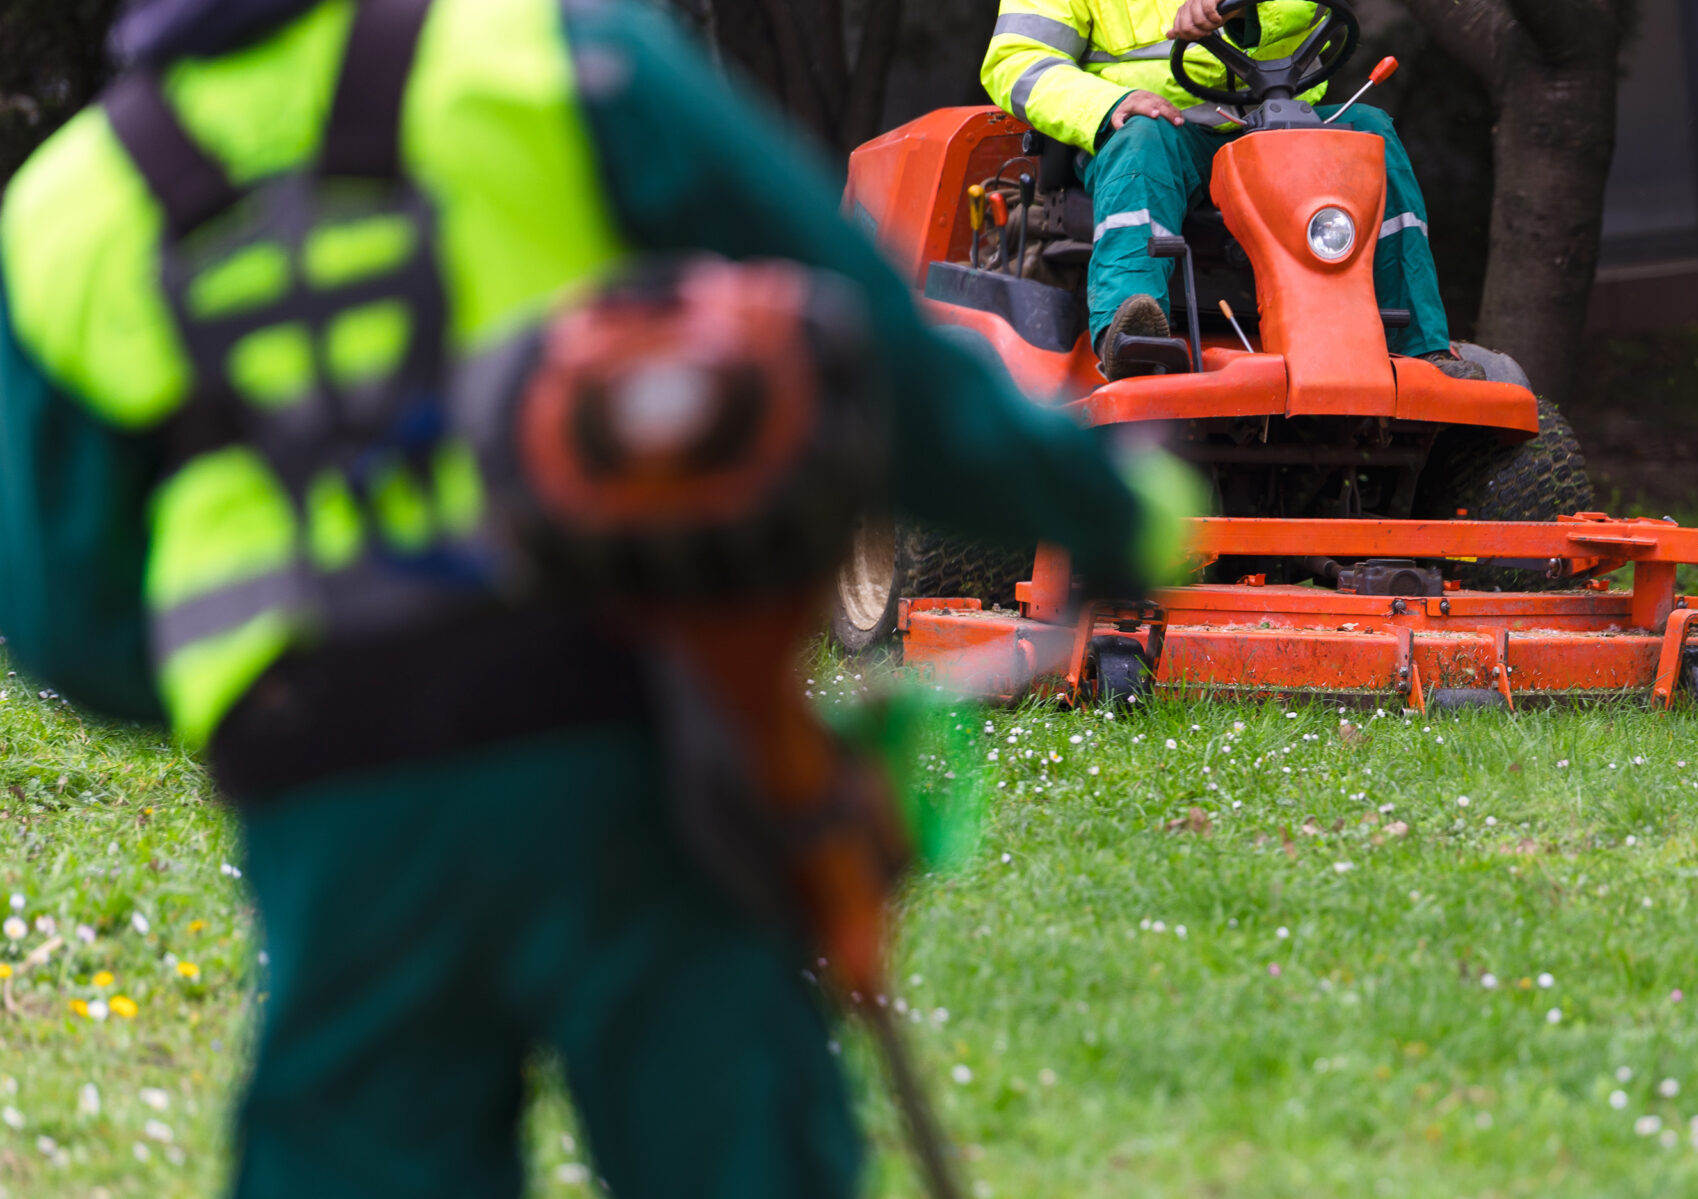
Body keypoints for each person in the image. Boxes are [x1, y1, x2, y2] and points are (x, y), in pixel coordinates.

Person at [0, 0, 1189, 1193]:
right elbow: (852, 328)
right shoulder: (554, 58)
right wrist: (1104, 508)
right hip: (630, 733)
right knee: (733, 1147)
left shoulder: (70, 213)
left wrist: (276, 698)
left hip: (331, 792)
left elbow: (69, 620)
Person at [982, 0, 1484, 381]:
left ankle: (1421, 351)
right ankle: (1130, 334)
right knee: (1142, 143)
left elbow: (1302, 11)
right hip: (1161, 127)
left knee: (1370, 133)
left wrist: (1243, 8)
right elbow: (1017, 61)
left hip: (1280, 122)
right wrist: (1112, 101)